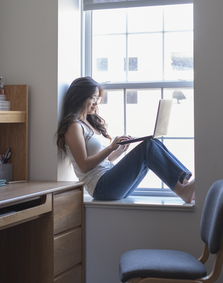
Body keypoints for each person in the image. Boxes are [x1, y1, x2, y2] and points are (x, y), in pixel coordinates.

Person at [56, 77, 195, 202]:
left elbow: (106, 160)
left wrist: (120, 149)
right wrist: (110, 147)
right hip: (101, 188)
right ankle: (183, 190)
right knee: (148, 147)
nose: (96, 102)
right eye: (93, 97)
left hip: (108, 181)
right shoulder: (74, 127)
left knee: (151, 143)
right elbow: (84, 165)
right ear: (80, 97)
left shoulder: (89, 123)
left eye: (98, 98)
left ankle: (183, 182)